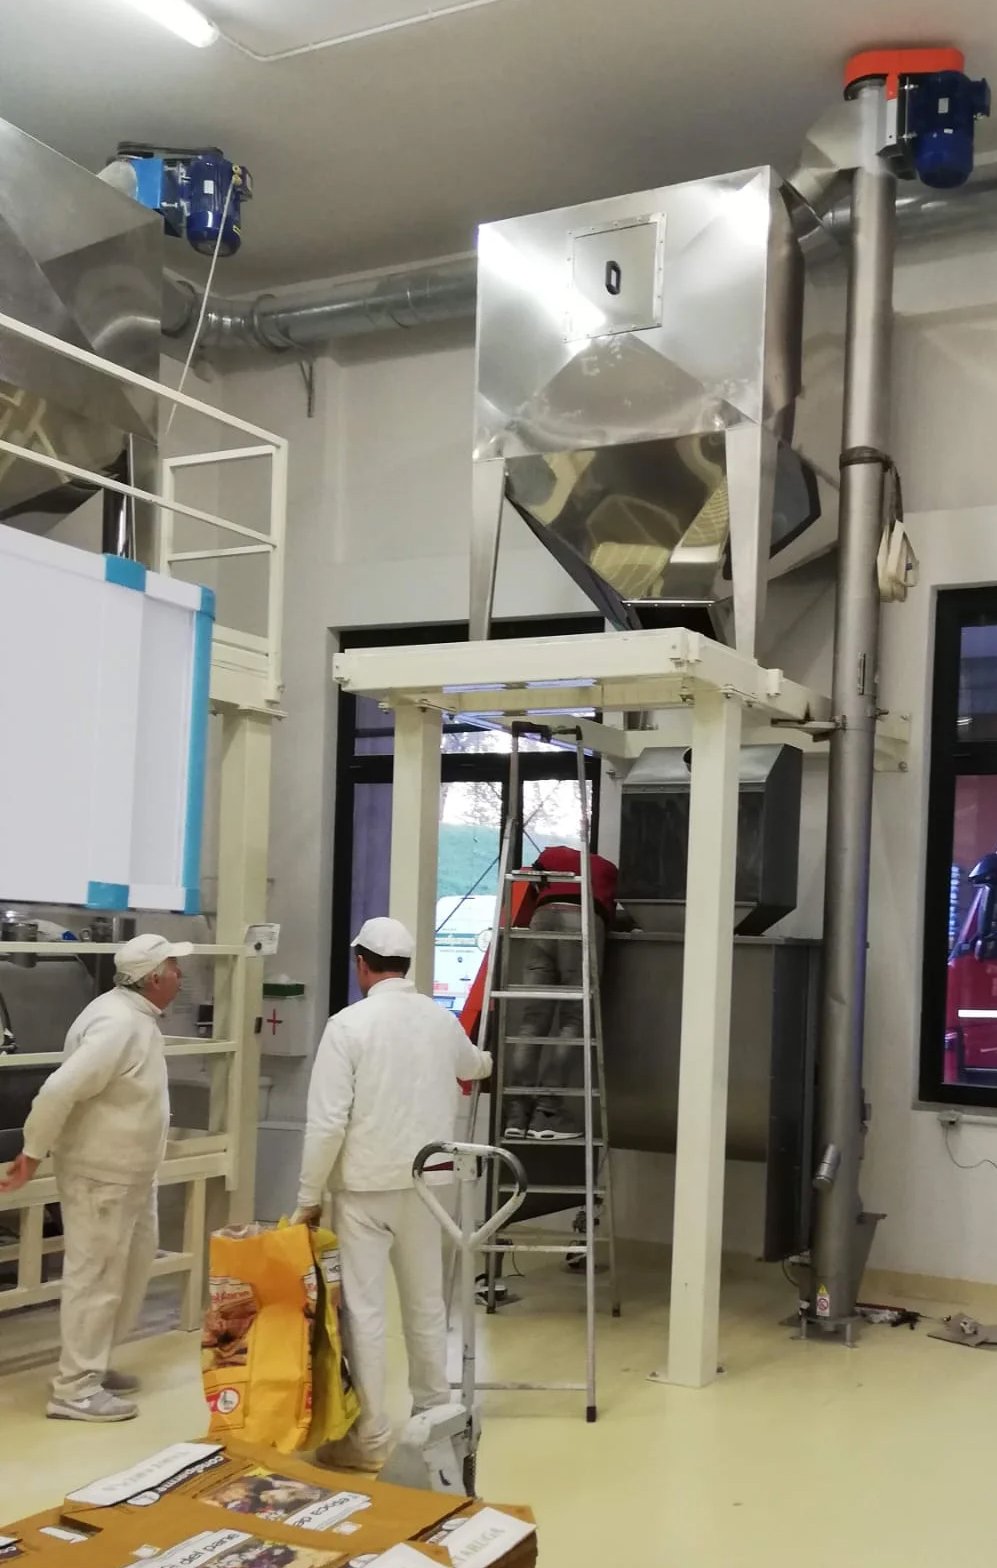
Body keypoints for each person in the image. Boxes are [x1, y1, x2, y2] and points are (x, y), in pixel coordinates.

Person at [291, 916, 492, 1472]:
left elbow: (327, 1123)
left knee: (365, 1311)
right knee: (427, 1304)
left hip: (365, 1188)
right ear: (406, 965)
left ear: (361, 964)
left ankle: (370, 1439)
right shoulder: (439, 1020)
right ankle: (434, 1422)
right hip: (429, 1185)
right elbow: (475, 1066)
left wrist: (308, 1196)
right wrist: (489, 1059)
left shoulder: (347, 1026)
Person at [0, 932, 192, 1422]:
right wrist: (33, 1151)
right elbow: (58, 1090)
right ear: (154, 978)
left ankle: (94, 1365)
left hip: (131, 1174)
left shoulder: (136, 1017)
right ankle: (74, 1389)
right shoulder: (116, 1023)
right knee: (97, 1279)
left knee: (129, 1270)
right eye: (174, 967)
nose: (181, 975)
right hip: (101, 1176)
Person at [504, 844, 618, 1141]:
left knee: (532, 1020)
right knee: (573, 1019)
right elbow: (612, 913)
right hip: (581, 920)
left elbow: (532, 894)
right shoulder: (605, 870)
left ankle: (517, 1113)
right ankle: (548, 1112)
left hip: (542, 917)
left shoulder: (553, 859)